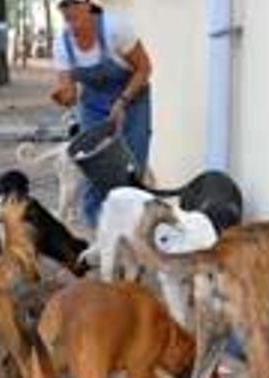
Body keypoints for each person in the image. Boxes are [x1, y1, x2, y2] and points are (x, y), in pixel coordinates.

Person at [50, 0, 153, 227]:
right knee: (92, 165)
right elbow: (71, 94)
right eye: (65, 13)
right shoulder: (61, 44)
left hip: (133, 98)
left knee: (132, 164)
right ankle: (99, 231)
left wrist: (123, 100)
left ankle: (134, 227)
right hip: (93, 103)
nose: (71, 18)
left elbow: (144, 68)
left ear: (88, 5)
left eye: (74, 10)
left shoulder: (115, 28)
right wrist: (63, 96)